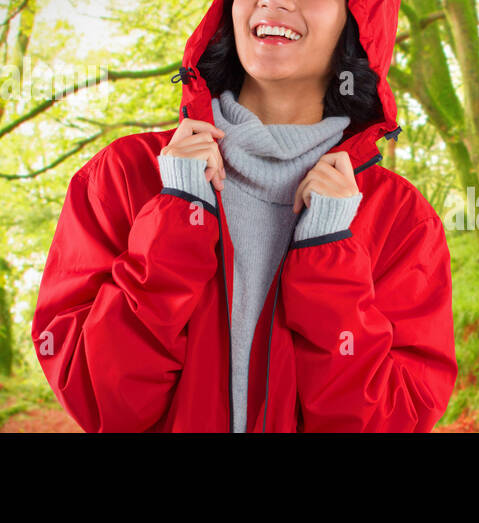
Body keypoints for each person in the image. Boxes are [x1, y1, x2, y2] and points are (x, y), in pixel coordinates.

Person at [31, 0, 456, 433]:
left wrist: (330, 262)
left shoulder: (401, 220)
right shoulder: (124, 176)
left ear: (359, 20)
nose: (274, 1)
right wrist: (175, 216)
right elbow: (103, 404)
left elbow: (388, 421)